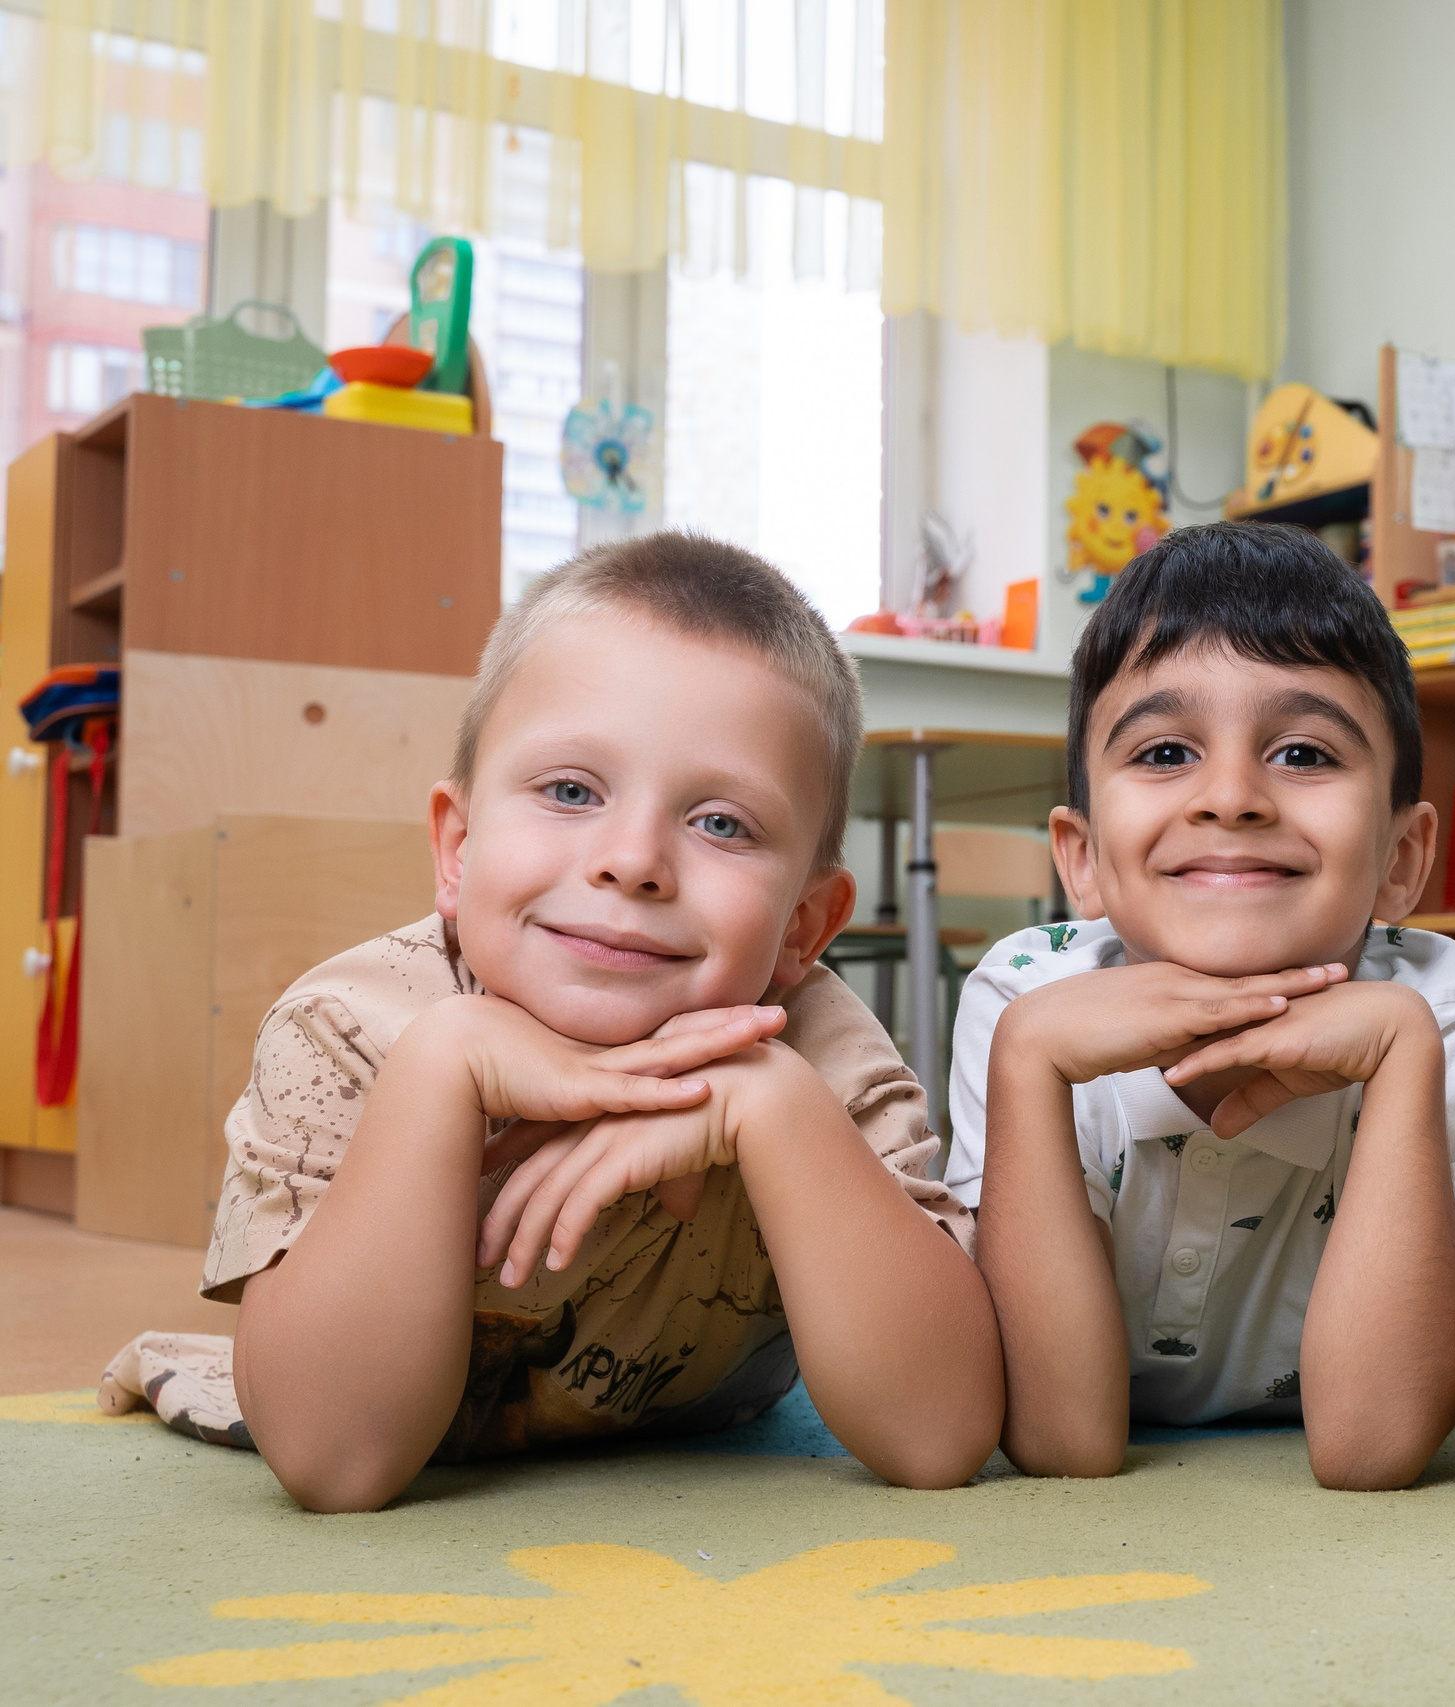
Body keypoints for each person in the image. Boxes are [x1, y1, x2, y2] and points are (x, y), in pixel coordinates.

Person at [124, 534, 1003, 1510]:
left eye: (720, 823)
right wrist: (444, 1067)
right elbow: (333, 1461)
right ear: (456, 851)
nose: (633, 861)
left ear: (804, 927)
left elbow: (940, 1434)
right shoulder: (349, 1029)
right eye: (571, 791)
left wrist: (773, 1108)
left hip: (696, 1426)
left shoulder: (818, 1055)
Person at [945, 522, 1455, 1490]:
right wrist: (1030, 1062)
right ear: (1080, 860)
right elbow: (1062, 1440)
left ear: (1402, 859)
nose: (1232, 797)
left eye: (1301, 754)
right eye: (1166, 752)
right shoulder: (1024, 1000)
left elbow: (1373, 1447)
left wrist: (1401, 1053)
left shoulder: (1452, 1020)